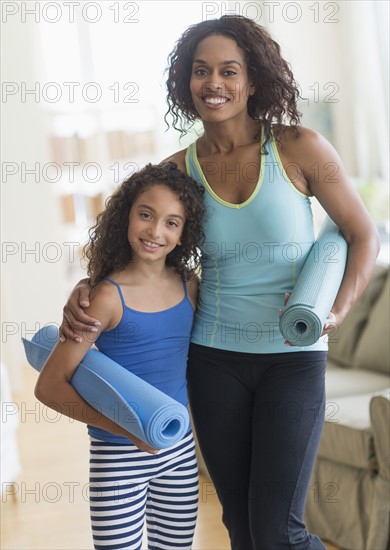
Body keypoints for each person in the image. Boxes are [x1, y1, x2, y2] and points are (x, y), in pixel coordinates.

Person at [60, 15, 381, 550]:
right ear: (186, 83)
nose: (215, 83)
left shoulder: (299, 147)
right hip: (212, 359)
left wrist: (339, 309)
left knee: (280, 529)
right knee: (242, 526)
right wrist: (88, 285)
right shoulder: (178, 170)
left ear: (252, 80)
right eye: (200, 71)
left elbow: (362, 234)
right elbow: (141, 249)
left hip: (293, 355)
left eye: (229, 71)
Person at [35, 162, 206, 550]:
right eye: (146, 215)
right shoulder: (106, 298)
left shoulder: (190, 287)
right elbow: (49, 386)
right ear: (126, 215)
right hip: (117, 459)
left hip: (178, 453)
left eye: (171, 223)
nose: (155, 231)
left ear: (184, 234)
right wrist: (124, 430)